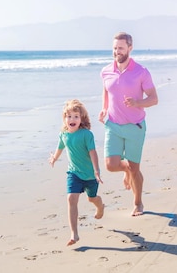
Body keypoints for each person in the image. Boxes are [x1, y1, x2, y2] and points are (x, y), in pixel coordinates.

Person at [99, 32, 158, 217]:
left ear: (130, 48)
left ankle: (138, 203)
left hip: (135, 126)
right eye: (115, 48)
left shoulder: (141, 72)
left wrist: (137, 103)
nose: (117, 52)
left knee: (135, 168)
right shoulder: (106, 71)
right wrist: (104, 109)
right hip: (113, 124)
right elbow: (107, 91)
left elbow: (154, 99)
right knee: (110, 165)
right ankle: (126, 169)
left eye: (121, 48)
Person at [49, 99, 105, 246]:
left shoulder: (86, 134)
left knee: (91, 198)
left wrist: (97, 170)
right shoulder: (63, 134)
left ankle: (100, 206)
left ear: (81, 119)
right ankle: (74, 233)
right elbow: (60, 147)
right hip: (73, 173)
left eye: (76, 116)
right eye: (69, 116)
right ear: (64, 119)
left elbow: (93, 152)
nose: (72, 119)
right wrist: (54, 158)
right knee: (71, 199)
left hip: (90, 174)